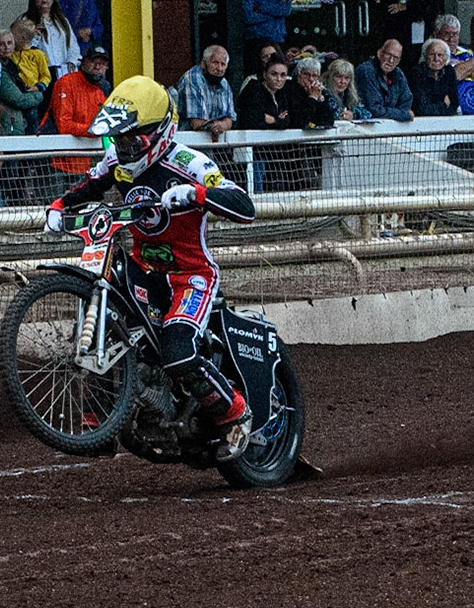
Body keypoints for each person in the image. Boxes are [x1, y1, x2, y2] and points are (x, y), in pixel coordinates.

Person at [43, 77, 258, 458]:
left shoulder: (190, 162)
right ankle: (100, 420)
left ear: (160, 132)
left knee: (178, 351)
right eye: (119, 141)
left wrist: (197, 194)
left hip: (189, 277)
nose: (124, 149)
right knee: (109, 323)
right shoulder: (118, 162)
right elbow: (87, 187)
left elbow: (245, 206)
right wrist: (59, 207)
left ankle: (235, 414)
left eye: (131, 141)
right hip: (146, 270)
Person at [174, 44, 237, 140]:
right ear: (203, 63)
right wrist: (216, 126)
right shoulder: (193, 79)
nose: (219, 69)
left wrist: (222, 125)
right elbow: (196, 122)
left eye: (223, 64)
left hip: (212, 141)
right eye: (215, 63)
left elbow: (229, 118)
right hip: (187, 141)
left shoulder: (224, 83)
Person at [20, 0, 81, 79]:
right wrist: (35, 36)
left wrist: (72, 61)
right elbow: (21, 48)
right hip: (41, 74)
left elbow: (73, 45)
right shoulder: (25, 20)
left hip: (64, 72)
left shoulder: (62, 21)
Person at [355, 39, 414, 121]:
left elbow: (406, 102)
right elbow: (374, 110)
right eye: (388, 55)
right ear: (379, 53)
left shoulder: (398, 74)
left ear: (398, 61)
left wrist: (400, 114)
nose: (391, 60)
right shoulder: (366, 71)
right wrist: (403, 115)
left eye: (395, 58)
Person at [406, 38, 460, 117]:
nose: (436, 59)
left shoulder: (449, 72)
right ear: (425, 56)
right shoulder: (417, 73)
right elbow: (420, 109)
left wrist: (432, 105)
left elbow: (454, 105)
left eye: (440, 55)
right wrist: (444, 105)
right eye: (432, 54)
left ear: (445, 58)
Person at [237, 54, 293, 128]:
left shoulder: (282, 93)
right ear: (265, 74)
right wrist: (278, 119)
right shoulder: (254, 89)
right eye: (274, 74)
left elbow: (287, 121)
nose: (279, 79)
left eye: (283, 75)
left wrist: (273, 120)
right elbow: (254, 120)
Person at [285, 55, 338, 128]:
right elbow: (300, 121)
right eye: (306, 74)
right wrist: (312, 98)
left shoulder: (317, 91)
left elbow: (328, 122)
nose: (311, 79)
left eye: (314, 75)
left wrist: (320, 99)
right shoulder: (289, 90)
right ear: (298, 75)